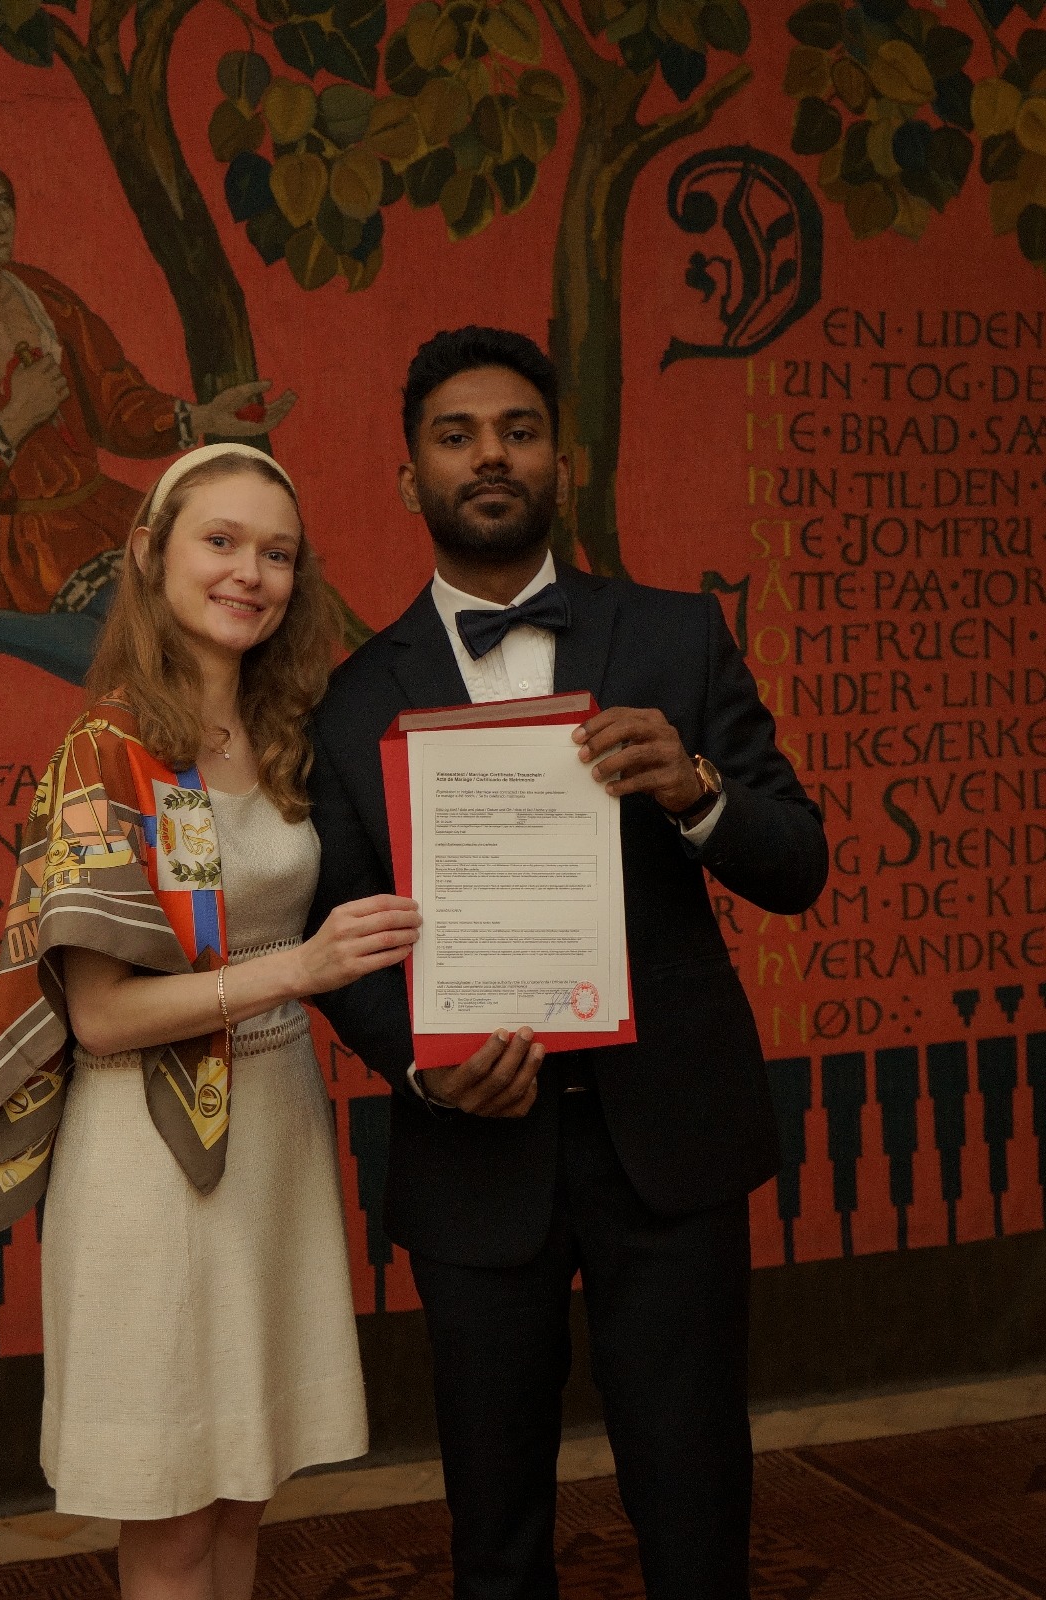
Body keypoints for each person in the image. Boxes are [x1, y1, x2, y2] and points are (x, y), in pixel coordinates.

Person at [305, 328, 830, 1599]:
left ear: (560, 459)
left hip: (672, 1137)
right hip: (477, 1150)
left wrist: (698, 791)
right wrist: (425, 1077)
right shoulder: (349, 698)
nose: (489, 455)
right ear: (407, 477)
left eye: (517, 430)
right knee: (492, 1526)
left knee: (695, 1500)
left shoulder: (672, 638)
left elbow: (794, 860)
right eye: (454, 435)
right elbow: (339, 937)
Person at [0, 443, 420, 1600]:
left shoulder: (283, 740)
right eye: (219, 542)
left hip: (272, 1134)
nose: (249, 573)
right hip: (150, 1163)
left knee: (241, 1489)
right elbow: (106, 1020)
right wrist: (302, 968)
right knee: (168, 1514)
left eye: (275, 552)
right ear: (151, 555)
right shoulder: (104, 749)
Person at [0, 150, 296, 711]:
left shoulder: (41, 296)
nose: (3, 221)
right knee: (141, 654)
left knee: (184, 639)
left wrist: (200, 417)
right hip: (30, 542)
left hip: (101, 511)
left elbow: (112, 400)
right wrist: (13, 420)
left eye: (5, 202)